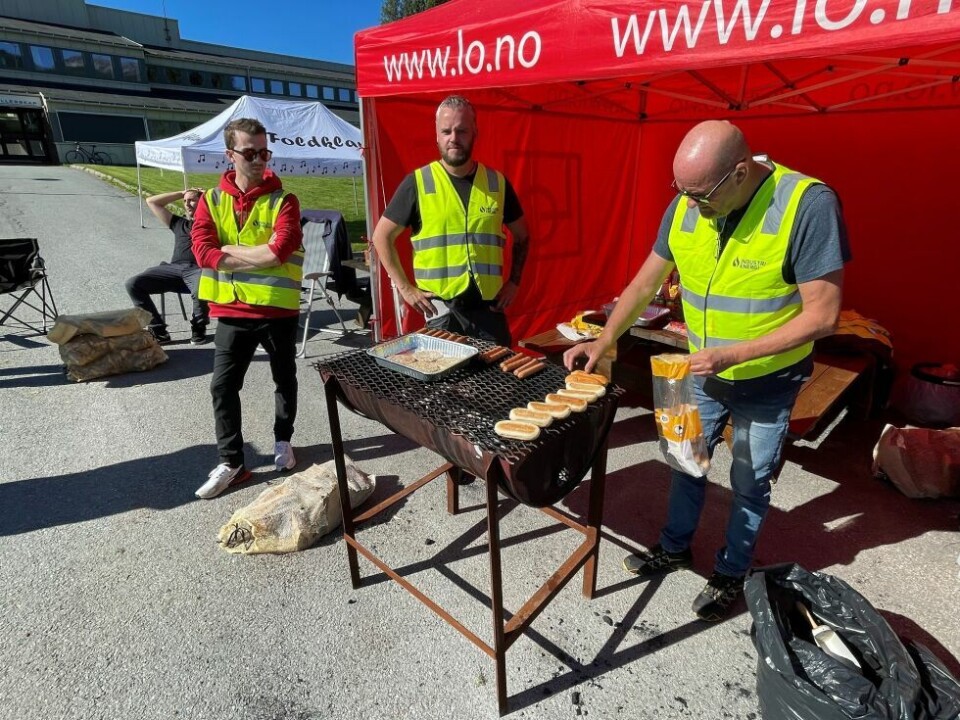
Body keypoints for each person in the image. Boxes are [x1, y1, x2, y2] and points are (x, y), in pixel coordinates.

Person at [565, 120, 849, 622]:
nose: (689, 205)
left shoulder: (808, 204)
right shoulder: (685, 203)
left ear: (740, 173)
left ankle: (731, 570)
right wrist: (604, 340)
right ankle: (675, 547)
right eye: (681, 191)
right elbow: (643, 283)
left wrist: (732, 355)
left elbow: (823, 316)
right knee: (684, 459)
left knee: (749, 479)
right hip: (698, 370)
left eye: (700, 195)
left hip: (767, 380)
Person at [191, 117, 304, 500]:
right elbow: (203, 251)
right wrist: (256, 255)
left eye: (264, 152)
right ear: (230, 154)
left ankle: (283, 441)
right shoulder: (211, 200)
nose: (259, 160)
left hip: (277, 311)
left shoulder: (284, 200)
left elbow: (279, 250)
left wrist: (230, 252)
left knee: (284, 379)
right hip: (232, 312)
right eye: (250, 152)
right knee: (222, 386)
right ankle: (232, 462)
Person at [371, 95, 530, 346]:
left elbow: (522, 235)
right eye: (446, 131)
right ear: (436, 135)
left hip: (488, 312)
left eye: (462, 130)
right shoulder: (418, 183)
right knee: (446, 385)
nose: (453, 138)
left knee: (498, 382)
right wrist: (405, 288)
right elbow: (381, 237)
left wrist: (515, 282)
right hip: (441, 313)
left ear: (475, 132)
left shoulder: (496, 183)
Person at [126, 188, 210, 344]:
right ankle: (159, 330)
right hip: (173, 269)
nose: (188, 205)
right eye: (185, 202)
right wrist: (182, 193)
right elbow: (152, 201)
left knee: (202, 283)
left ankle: (199, 328)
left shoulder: (214, 224)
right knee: (133, 284)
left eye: (192, 200)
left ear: (204, 202)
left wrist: (209, 195)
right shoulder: (179, 223)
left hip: (198, 269)